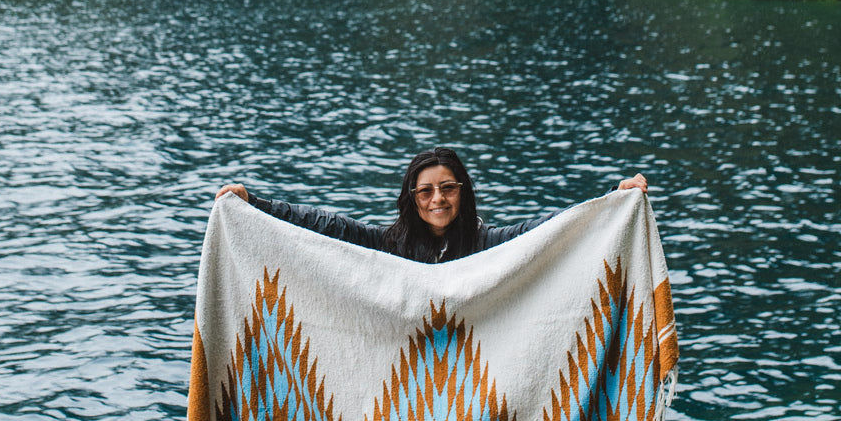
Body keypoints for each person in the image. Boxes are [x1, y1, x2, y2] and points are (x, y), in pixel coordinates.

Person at [215, 146, 648, 265]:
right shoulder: (389, 244)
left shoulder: (488, 244)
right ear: (412, 199)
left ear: (463, 192)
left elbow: (552, 227)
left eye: (448, 188)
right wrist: (257, 204)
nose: (438, 199)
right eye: (425, 191)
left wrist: (612, 203)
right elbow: (327, 226)